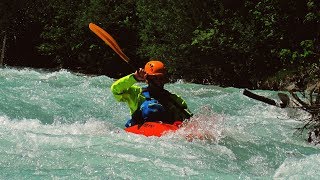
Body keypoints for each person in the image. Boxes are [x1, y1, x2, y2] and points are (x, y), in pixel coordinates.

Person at [111, 60, 193, 127]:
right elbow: (115, 89)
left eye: (161, 78)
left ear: (165, 79)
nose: (158, 81)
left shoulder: (174, 99)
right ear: (146, 79)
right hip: (139, 137)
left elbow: (190, 120)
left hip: (165, 137)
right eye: (155, 78)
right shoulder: (136, 94)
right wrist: (134, 78)